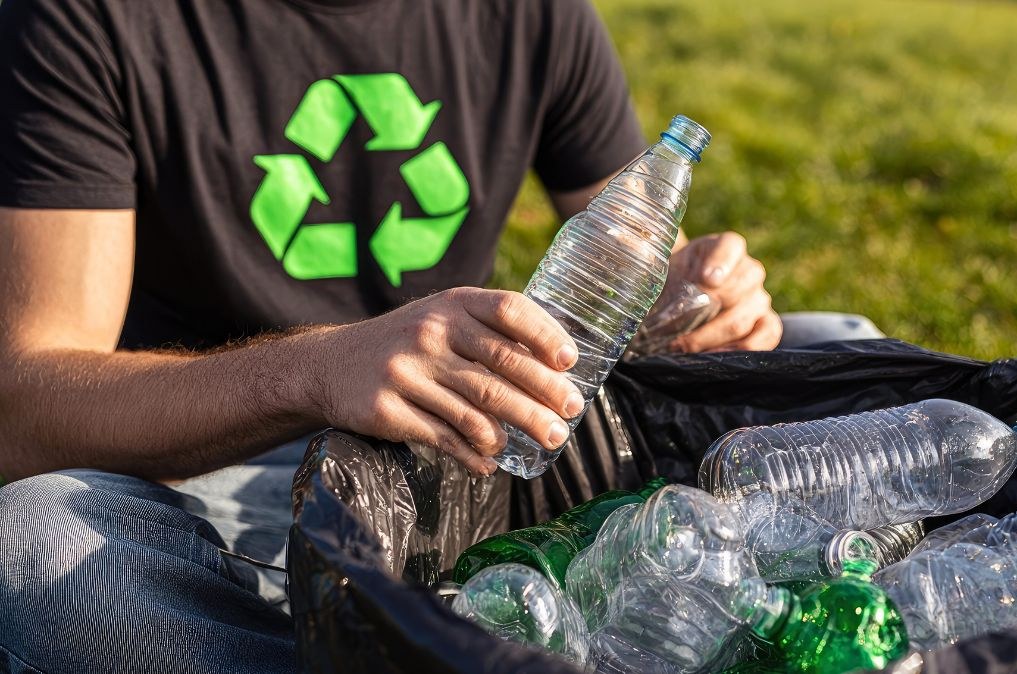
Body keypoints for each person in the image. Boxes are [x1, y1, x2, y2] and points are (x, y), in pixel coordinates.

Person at [0, 1, 881, 671]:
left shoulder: (528, 13)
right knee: (37, 546)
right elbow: (26, 403)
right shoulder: (90, 18)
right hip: (231, 465)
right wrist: (317, 369)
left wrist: (700, 301)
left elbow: (626, 263)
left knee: (841, 340)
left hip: (484, 422)